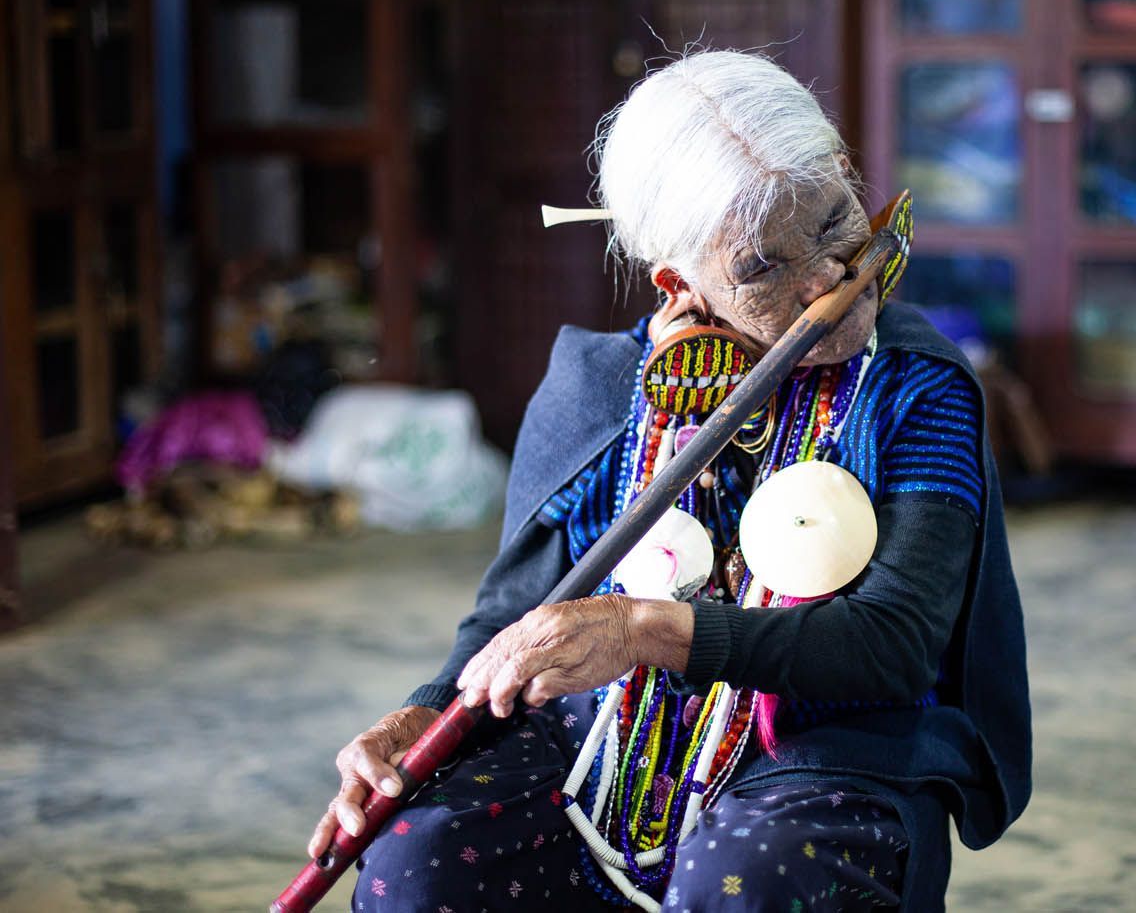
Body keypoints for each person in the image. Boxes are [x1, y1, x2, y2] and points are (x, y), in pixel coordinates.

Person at [306, 50, 1030, 912]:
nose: (828, 277)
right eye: (761, 267)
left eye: (834, 220)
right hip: (605, 740)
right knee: (416, 858)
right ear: (679, 282)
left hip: (827, 738)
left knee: (747, 878)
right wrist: (425, 714)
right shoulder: (598, 385)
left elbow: (893, 645)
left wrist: (644, 629)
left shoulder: (918, 388)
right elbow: (514, 619)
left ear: (847, 172)